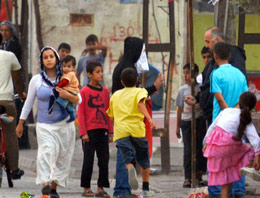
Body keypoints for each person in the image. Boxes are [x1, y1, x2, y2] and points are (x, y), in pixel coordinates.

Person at [185, 27, 248, 197]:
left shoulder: (216, 73)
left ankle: (216, 190)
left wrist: (227, 113)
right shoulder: (240, 75)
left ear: (217, 48)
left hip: (221, 121)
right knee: (236, 156)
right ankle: (237, 190)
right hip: (237, 118)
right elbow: (244, 95)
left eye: (207, 42)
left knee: (215, 157)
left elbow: (218, 97)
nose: (206, 46)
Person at [16, 46, 80, 198]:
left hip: (65, 125)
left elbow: (79, 99)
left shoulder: (67, 77)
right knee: (45, 152)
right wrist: (20, 123)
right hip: (45, 125)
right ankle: (45, 183)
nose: (49, 59)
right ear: (42, 61)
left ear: (57, 59)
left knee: (62, 158)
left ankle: (53, 188)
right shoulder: (36, 80)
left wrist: (66, 94)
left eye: (51, 56)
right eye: (46, 57)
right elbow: (29, 103)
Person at [112, 37, 165, 198]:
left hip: (121, 121)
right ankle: (122, 190)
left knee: (126, 154)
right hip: (132, 121)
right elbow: (135, 95)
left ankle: (124, 188)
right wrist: (154, 87)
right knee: (127, 156)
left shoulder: (121, 66)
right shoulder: (128, 69)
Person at [107, 67, 157, 197]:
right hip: (137, 130)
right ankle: (145, 189)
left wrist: (115, 126)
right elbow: (141, 104)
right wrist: (149, 118)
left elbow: (111, 117)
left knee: (127, 158)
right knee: (144, 160)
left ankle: (130, 168)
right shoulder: (140, 91)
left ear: (122, 82)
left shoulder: (115, 95)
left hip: (121, 132)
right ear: (137, 80)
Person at [203, 91, 260, 198]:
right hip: (230, 148)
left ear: (239, 101)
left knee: (226, 176)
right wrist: (257, 159)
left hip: (215, 146)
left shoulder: (227, 111)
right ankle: (249, 165)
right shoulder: (246, 119)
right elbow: (256, 140)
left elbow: (212, 127)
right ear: (252, 108)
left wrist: (206, 142)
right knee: (247, 152)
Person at [78, 62, 113, 198]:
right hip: (89, 132)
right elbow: (81, 113)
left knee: (104, 159)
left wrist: (110, 131)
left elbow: (108, 112)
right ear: (89, 74)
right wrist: (83, 132)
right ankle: (86, 187)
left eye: (101, 71)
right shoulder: (84, 92)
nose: (100, 74)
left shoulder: (104, 91)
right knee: (88, 160)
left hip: (102, 130)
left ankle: (101, 187)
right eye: (97, 72)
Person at [175, 63, 207, 188]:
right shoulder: (182, 90)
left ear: (195, 74)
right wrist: (177, 127)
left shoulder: (201, 89)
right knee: (188, 149)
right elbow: (179, 109)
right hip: (186, 122)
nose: (186, 76)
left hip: (199, 121)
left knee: (199, 148)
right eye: (184, 73)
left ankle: (198, 175)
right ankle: (188, 177)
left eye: (188, 73)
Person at [0, 33, 25, 180]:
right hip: (6, 103)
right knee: (10, 133)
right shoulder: (9, 56)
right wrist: (21, 94)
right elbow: (17, 78)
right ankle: (14, 169)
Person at [55, 55, 79, 123]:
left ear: (73, 67)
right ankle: (72, 115)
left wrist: (58, 86)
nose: (65, 68)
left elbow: (65, 82)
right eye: (64, 66)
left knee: (60, 102)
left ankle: (63, 114)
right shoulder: (67, 74)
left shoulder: (70, 74)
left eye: (68, 66)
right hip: (73, 91)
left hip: (70, 91)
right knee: (68, 105)